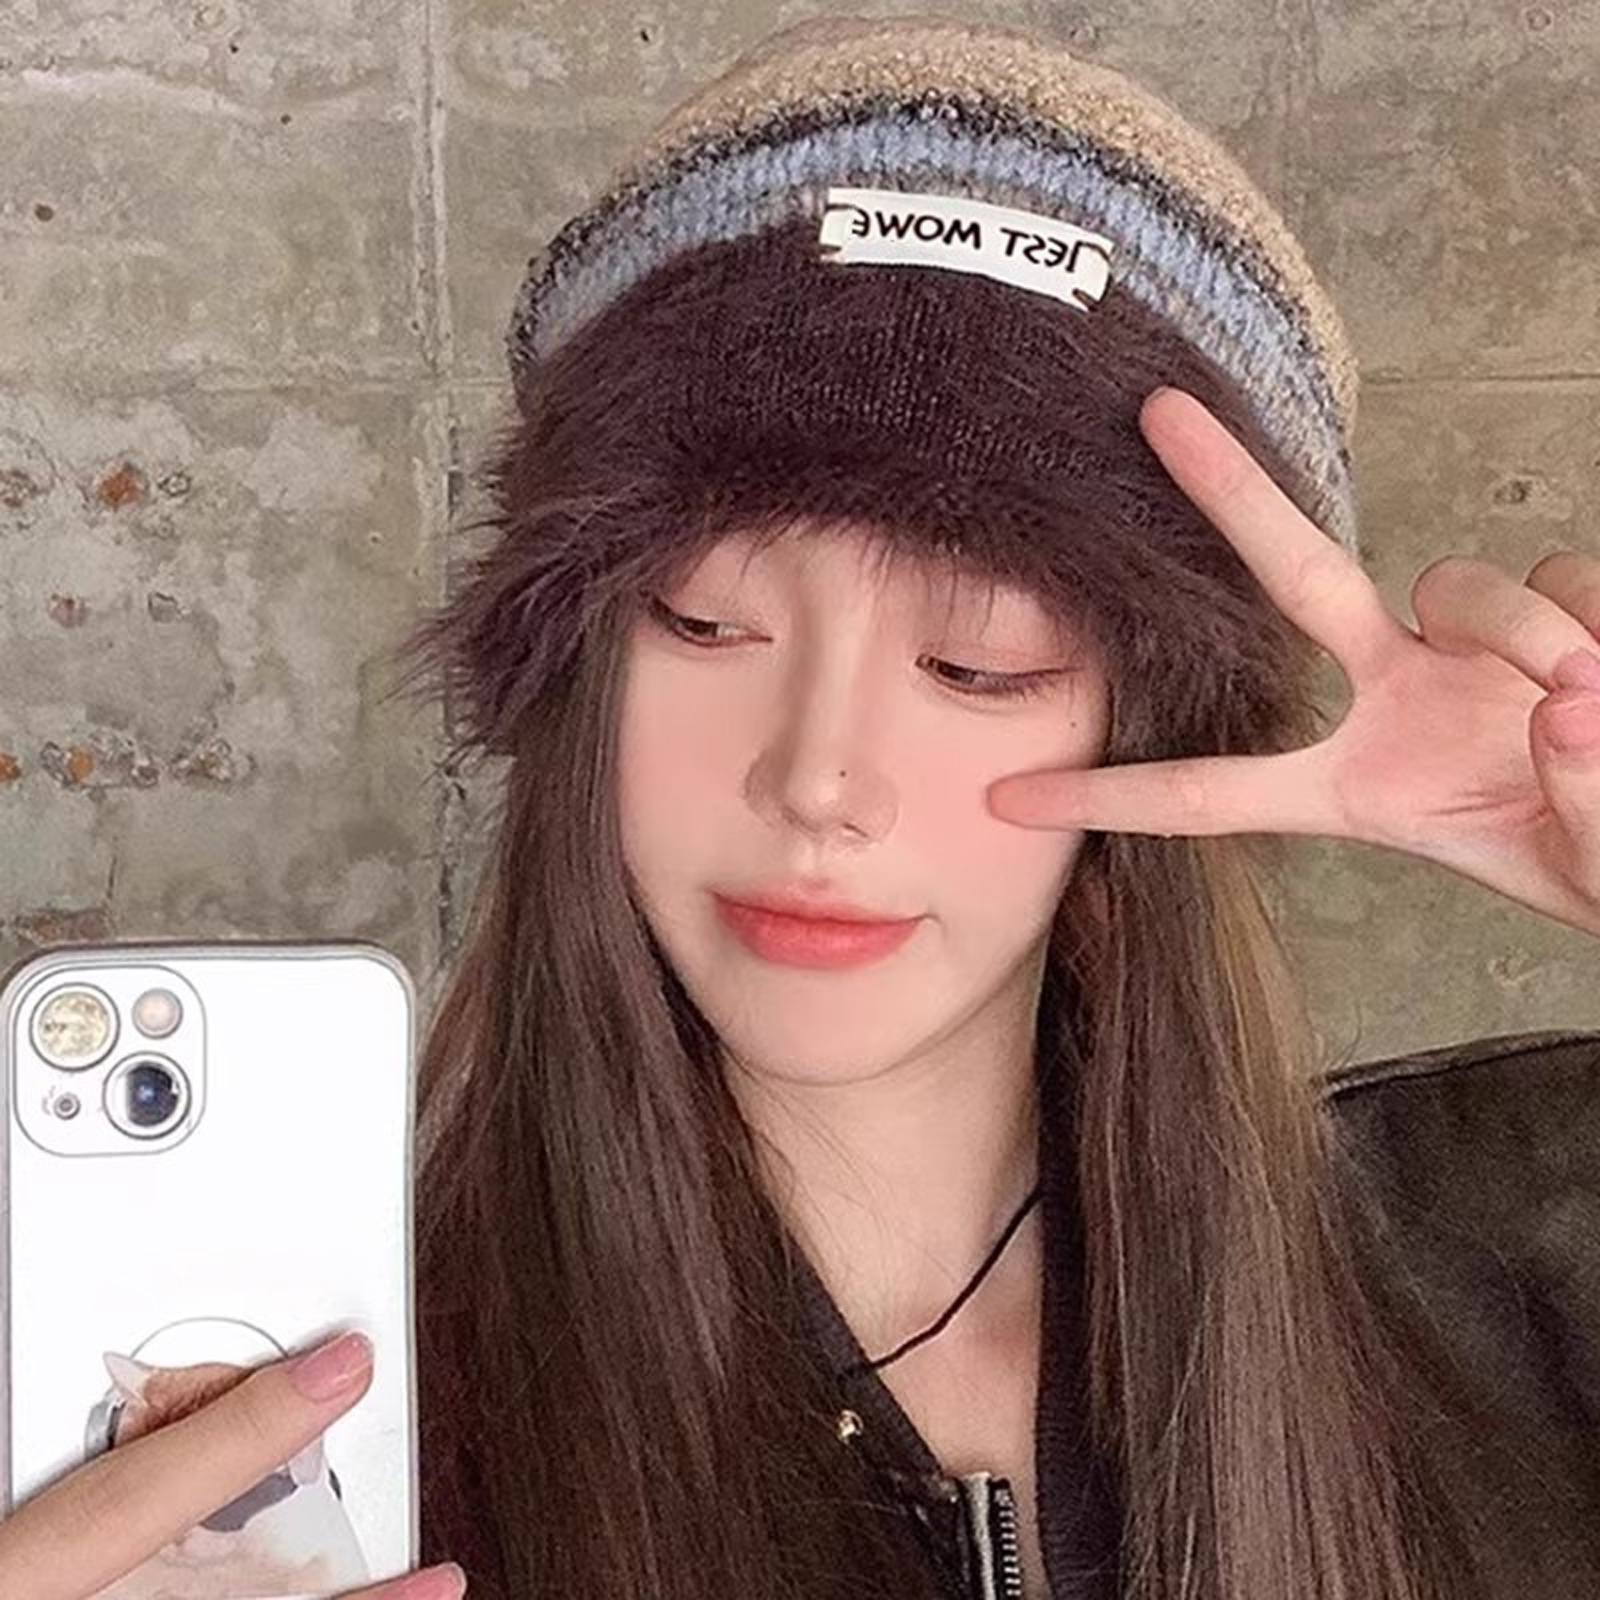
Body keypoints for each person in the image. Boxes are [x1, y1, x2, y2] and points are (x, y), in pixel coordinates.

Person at [5, 14, 1596, 1600]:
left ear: (1160, 733)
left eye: (977, 660)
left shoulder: (1527, 1284)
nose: (818, 779)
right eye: (703, 622)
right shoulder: (320, 1451)